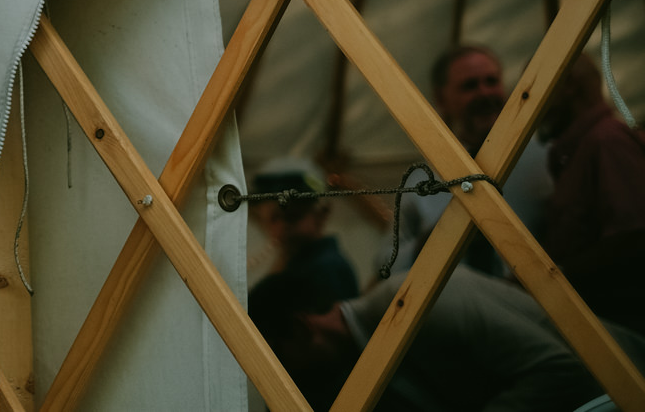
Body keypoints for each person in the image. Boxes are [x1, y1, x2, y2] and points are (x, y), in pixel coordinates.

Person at [250, 264, 645, 412]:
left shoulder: (410, 303)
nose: (286, 378)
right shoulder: (372, 349)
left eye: (279, 362)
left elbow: (560, 369)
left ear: (301, 329)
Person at [390, 45, 552, 276]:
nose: (485, 93)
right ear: (441, 98)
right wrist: (431, 243)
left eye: (491, 81)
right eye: (470, 86)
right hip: (448, 301)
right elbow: (385, 260)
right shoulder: (421, 180)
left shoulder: (544, 160)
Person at [537, 53, 645, 334]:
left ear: (569, 85)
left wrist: (551, 277)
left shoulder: (606, 141)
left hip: (616, 334)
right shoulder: (580, 149)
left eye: (537, 89)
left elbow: (633, 237)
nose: (534, 106)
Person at [249, 159, 358, 304]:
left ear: (321, 214)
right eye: (273, 219)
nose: (281, 227)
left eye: (292, 216)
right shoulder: (294, 265)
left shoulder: (325, 271)